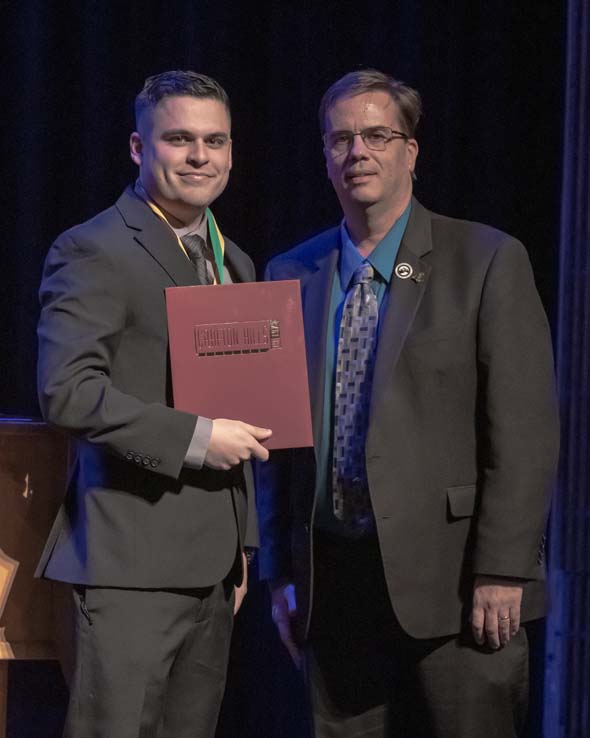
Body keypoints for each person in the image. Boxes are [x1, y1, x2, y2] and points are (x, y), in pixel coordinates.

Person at [257, 69, 559, 738]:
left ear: (411, 153)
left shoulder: (484, 259)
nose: (356, 152)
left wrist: (502, 568)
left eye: (375, 135)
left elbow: (525, 430)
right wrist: (280, 570)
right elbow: (276, 442)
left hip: (459, 591)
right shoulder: (289, 273)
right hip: (333, 591)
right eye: (340, 139)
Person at [36, 70, 271, 738]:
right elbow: (67, 391)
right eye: (179, 139)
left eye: (215, 140)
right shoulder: (95, 248)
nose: (200, 156)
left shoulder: (236, 262)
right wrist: (196, 437)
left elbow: (242, 409)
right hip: (127, 567)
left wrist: (243, 543)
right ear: (140, 148)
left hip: (215, 570)